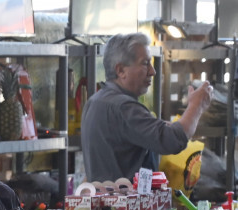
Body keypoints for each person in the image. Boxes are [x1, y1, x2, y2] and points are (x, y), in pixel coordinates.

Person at [81, 32, 213, 182]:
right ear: (121, 70)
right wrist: (196, 106)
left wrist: (164, 125)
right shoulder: (125, 108)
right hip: (125, 204)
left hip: (104, 202)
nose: (153, 71)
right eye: (145, 63)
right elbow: (173, 141)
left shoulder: (95, 101)